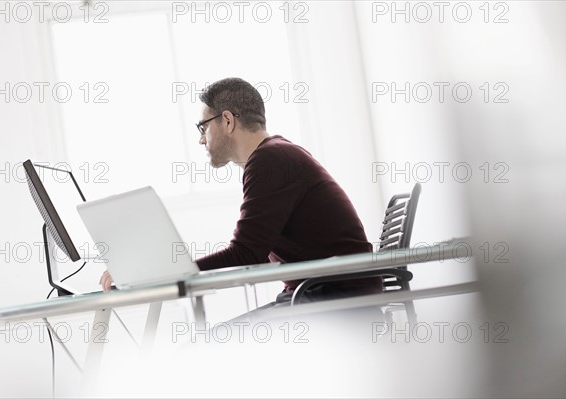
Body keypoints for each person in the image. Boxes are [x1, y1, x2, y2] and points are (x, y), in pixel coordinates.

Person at [100, 77, 382, 305]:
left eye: (203, 127)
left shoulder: (271, 160)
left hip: (332, 299)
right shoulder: (276, 155)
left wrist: (162, 274)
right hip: (319, 294)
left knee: (205, 350)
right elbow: (250, 251)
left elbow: (246, 252)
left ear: (227, 120)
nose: (201, 140)